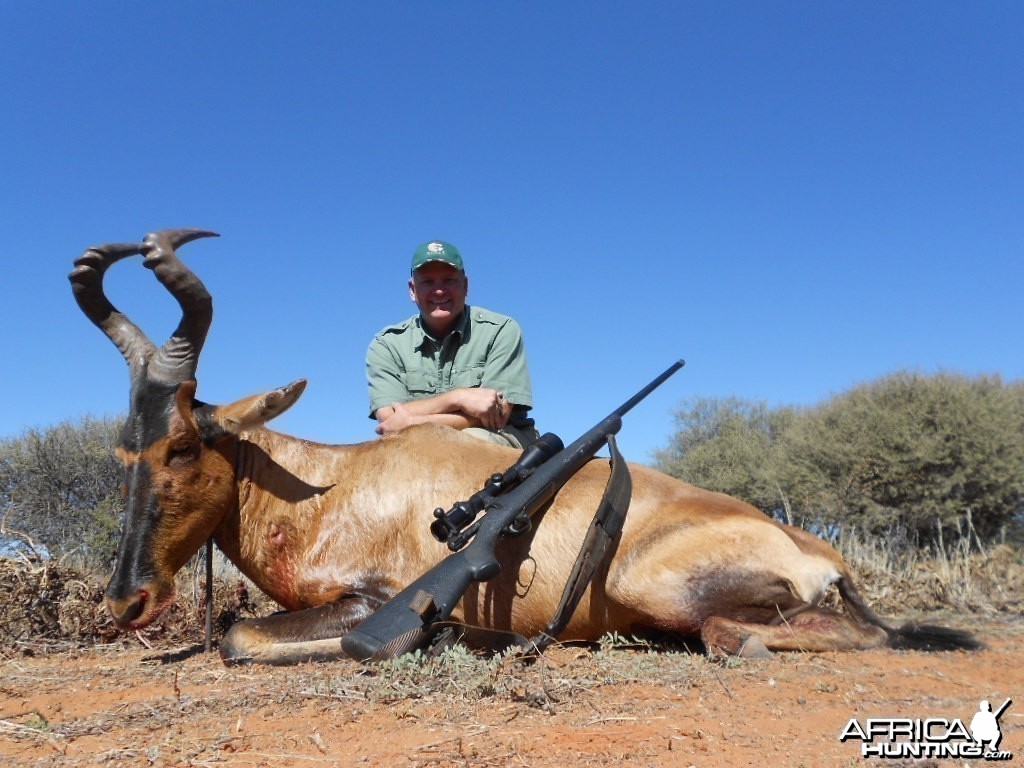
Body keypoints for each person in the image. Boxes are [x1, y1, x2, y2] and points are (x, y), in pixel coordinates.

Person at [366, 240, 540, 448]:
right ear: (412, 290)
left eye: (449, 280)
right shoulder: (386, 344)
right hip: (414, 444)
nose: (439, 291)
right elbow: (389, 419)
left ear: (465, 286)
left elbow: (497, 414)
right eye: (428, 282)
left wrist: (412, 422)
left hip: (499, 437)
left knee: (467, 447)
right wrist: (458, 398)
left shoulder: (501, 329)